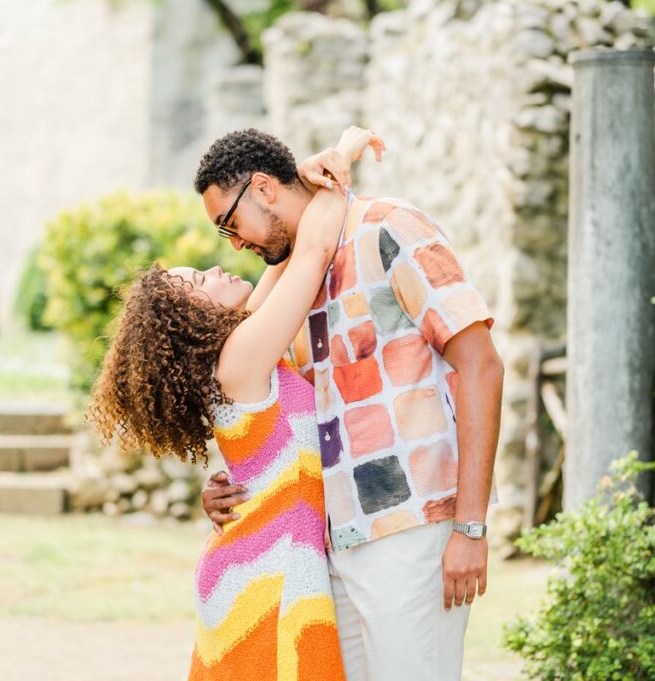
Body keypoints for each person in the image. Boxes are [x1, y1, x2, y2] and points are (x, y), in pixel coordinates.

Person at [197, 128, 504, 681]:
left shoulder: (389, 227)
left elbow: (482, 365)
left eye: (229, 224)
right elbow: (280, 412)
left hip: (412, 530)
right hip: (332, 544)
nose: (233, 244)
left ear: (263, 188)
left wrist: (471, 527)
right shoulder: (294, 279)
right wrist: (231, 477)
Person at [88, 129, 384, 681]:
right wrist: (341, 158)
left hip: (267, 557)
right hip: (264, 571)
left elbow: (286, 252)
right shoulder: (241, 362)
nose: (219, 267)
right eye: (201, 280)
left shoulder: (241, 347)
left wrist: (304, 177)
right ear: (192, 321)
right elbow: (314, 251)